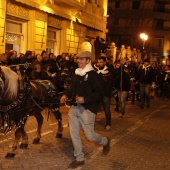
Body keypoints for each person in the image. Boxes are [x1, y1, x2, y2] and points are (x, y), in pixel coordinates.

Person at [60, 51, 110, 169]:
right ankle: (79, 158)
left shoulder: (94, 75)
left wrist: (85, 99)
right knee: (74, 133)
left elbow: (99, 93)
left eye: (82, 59)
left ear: (88, 61)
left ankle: (105, 141)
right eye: (78, 59)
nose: (79, 61)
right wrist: (65, 95)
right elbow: (71, 87)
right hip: (74, 108)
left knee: (90, 136)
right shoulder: (77, 73)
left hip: (88, 109)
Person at [95, 56, 114, 129]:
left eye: (101, 62)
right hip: (97, 94)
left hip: (105, 94)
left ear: (104, 63)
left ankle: (108, 123)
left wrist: (106, 92)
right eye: (98, 62)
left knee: (106, 109)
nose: (99, 64)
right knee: (94, 109)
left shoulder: (108, 72)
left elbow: (110, 84)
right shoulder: (95, 71)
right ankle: (91, 123)